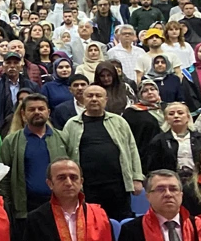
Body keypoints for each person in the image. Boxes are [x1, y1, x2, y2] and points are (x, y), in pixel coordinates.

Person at [59, 85, 144, 220]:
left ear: (106, 99)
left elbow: (132, 149)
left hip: (118, 185)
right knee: (91, 223)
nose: (94, 99)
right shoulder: (72, 124)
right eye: (90, 96)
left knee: (121, 222)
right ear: (83, 99)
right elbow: (65, 155)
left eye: (98, 96)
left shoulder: (119, 122)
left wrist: (137, 178)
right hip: (87, 187)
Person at [0, 94, 69, 221]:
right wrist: (7, 206)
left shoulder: (63, 138)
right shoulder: (11, 141)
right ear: (23, 114)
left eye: (41, 109)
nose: (37, 112)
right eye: (31, 109)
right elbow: (4, 178)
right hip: (25, 209)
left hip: (58, 205)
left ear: (48, 112)